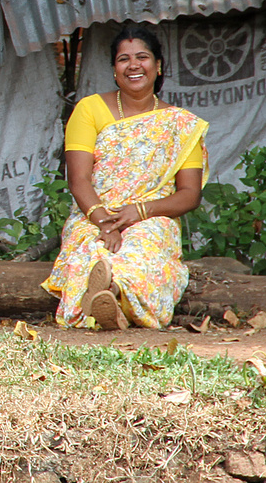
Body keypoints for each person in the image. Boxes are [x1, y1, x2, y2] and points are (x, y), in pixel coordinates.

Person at [44, 25, 208, 330]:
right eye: (123, 59)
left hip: (152, 217)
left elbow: (189, 194)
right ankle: (110, 300)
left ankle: (109, 294)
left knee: (142, 249)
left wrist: (139, 212)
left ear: (158, 66)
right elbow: (78, 179)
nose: (133, 65)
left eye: (142, 57)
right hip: (93, 214)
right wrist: (106, 222)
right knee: (92, 250)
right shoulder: (89, 109)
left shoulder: (180, 125)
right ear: (115, 69)